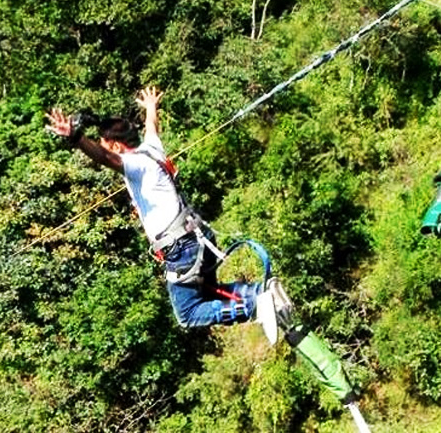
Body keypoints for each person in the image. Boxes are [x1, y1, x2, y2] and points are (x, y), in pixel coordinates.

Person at [46, 86, 292, 328]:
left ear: (117, 146)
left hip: (181, 247)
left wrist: (76, 138)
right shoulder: (152, 149)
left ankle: (257, 305)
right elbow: (151, 127)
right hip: (197, 235)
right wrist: (151, 108)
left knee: (188, 314)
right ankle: (261, 292)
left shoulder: (134, 164)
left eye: (105, 144)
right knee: (209, 295)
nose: (104, 149)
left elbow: (104, 157)